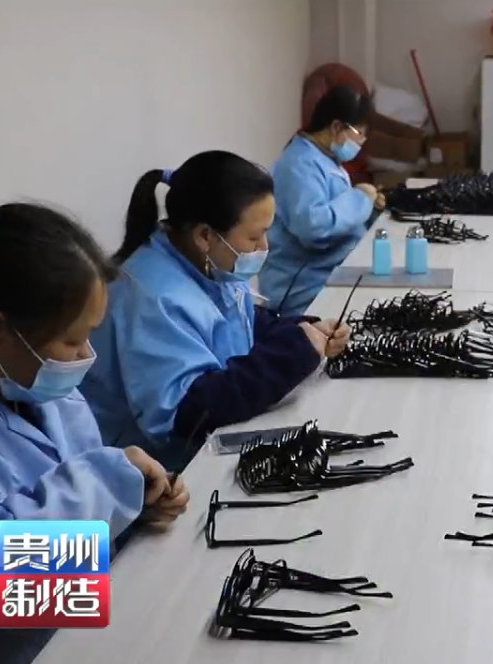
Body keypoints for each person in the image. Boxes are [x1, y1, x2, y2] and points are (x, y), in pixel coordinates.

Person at [0, 206, 188, 664]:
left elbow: (71, 503)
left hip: (79, 625)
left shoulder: (29, 376)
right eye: (71, 340)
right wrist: (108, 490)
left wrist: (130, 510)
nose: (85, 355)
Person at [80, 151, 351, 470]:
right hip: (157, 467)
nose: (265, 247)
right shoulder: (152, 297)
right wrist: (291, 355)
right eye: (254, 236)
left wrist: (300, 331)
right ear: (205, 235)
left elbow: (239, 322)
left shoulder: (206, 261)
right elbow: (187, 412)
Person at [259, 84, 384, 315]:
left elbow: (339, 210)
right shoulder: (299, 164)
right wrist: (360, 198)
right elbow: (314, 228)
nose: (361, 142)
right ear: (336, 126)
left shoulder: (325, 158)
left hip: (330, 273)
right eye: (359, 134)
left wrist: (370, 207)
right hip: (304, 290)